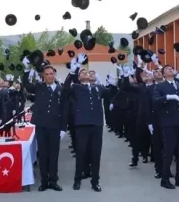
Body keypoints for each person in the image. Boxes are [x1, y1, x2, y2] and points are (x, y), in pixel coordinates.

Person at [63, 54, 112, 192]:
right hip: (82, 124)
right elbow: (66, 89)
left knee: (96, 153)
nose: (85, 73)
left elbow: (112, 93)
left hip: (96, 124)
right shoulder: (77, 87)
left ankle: (95, 181)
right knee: (81, 152)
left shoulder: (98, 88)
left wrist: (110, 83)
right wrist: (72, 72)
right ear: (79, 78)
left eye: (87, 71)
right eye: (82, 72)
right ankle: (77, 179)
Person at [21, 63, 67, 192]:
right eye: (46, 75)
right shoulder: (39, 87)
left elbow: (64, 109)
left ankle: (53, 180)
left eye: (51, 74)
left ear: (54, 75)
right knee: (42, 154)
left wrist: (63, 128)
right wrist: (26, 70)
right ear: (43, 76)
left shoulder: (60, 89)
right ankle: (44, 181)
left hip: (55, 126)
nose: (49, 76)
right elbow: (27, 85)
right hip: (41, 125)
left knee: (54, 154)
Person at [152, 65, 179, 189]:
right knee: (168, 152)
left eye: (171, 68)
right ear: (163, 74)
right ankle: (165, 179)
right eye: (167, 69)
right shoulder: (159, 86)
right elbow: (155, 100)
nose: (171, 70)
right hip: (168, 123)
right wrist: (168, 97)